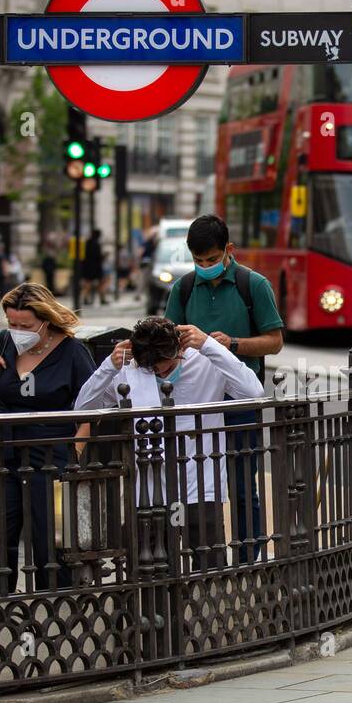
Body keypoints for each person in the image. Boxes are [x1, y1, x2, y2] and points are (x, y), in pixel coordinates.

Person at [110, 214, 283, 560]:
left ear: (229, 250)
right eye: (198, 260)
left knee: (242, 484)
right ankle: (191, 555)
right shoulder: (185, 287)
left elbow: (274, 342)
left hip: (238, 396)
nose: (205, 266)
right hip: (196, 396)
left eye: (212, 259)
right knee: (197, 485)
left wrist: (229, 344)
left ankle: (249, 557)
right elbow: (167, 333)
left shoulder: (254, 285)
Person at [74, 316, 265, 571]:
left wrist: (209, 344)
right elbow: (83, 408)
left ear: (181, 348)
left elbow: (254, 392)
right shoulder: (131, 368)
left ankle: (204, 609)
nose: (160, 374)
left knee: (208, 563)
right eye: (152, 370)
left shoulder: (206, 360)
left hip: (200, 481)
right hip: (149, 486)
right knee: (149, 566)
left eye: (165, 367)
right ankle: (154, 611)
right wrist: (108, 366)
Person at [0, 283, 96, 595]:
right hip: (1, 452)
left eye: (24, 325)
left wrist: (75, 454)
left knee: (51, 543)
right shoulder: (3, 343)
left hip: (51, 454)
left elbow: (90, 409)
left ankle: (57, 606)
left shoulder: (73, 352)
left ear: (45, 320)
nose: (16, 330)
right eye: (11, 323)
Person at [79, 229, 104, 307]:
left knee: (88, 283)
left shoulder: (87, 243)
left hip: (86, 267)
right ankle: (102, 299)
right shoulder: (96, 244)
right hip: (95, 267)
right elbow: (98, 257)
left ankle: (85, 298)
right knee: (100, 283)